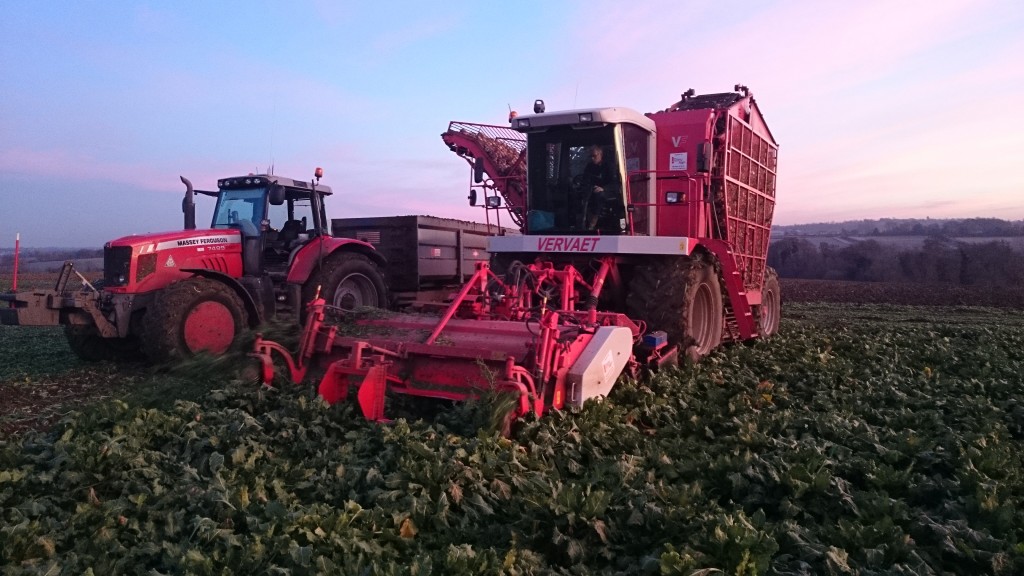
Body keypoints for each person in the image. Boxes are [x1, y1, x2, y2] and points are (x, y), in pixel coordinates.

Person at [580, 145, 620, 229]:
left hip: (608, 191)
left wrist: (604, 188)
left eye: (594, 156)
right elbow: (585, 179)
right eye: (591, 156)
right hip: (591, 190)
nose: (592, 158)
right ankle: (580, 222)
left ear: (600, 154)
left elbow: (615, 183)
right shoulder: (589, 166)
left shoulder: (609, 166)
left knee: (600, 195)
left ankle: (594, 221)